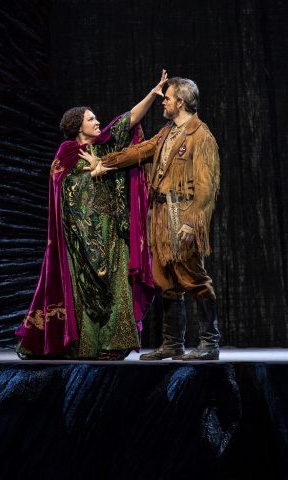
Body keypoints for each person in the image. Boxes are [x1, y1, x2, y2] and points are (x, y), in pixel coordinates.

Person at [15, 71, 167, 360]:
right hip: (81, 237)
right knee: (84, 292)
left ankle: (116, 344)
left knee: (118, 285)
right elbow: (63, 197)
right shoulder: (65, 155)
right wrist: (80, 232)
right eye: (91, 118)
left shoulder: (105, 145)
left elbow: (128, 120)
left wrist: (152, 93)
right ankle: (86, 345)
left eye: (96, 118)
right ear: (77, 126)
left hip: (113, 229)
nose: (97, 121)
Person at [81, 77, 221, 361]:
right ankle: (172, 344)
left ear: (180, 102)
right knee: (164, 279)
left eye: (167, 98)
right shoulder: (167, 132)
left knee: (192, 276)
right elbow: (138, 152)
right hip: (159, 214)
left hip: (181, 213)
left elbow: (207, 189)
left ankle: (209, 343)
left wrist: (191, 223)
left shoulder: (201, 136)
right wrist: (104, 163)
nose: (164, 102)